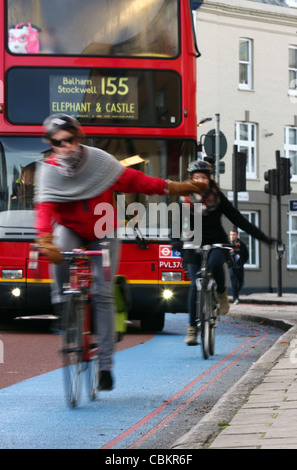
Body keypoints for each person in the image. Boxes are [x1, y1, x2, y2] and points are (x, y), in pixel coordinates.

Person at [34, 113, 207, 391]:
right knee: (58, 250)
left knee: (102, 293)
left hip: (102, 229)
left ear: (79, 139)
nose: (64, 146)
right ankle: (64, 305)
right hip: (70, 228)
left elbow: (138, 181)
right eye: (57, 143)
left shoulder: (100, 162)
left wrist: (178, 188)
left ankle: (104, 366)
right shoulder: (49, 171)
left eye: (69, 140)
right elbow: (44, 209)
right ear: (51, 145)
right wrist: (45, 240)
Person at [172, 159, 276, 346]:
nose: (200, 180)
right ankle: (192, 329)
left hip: (216, 241)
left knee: (214, 263)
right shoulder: (184, 199)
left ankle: (221, 293)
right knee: (195, 285)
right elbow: (177, 224)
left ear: (209, 180)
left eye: (203, 177)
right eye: (196, 177)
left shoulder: (217, 198)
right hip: (192, 244)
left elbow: (239, 219)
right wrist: (175, 241)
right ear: (190, 180)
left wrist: (265, 239)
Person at [228, 228, 249, 305]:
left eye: (234, 235)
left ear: (237, 235)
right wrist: (228, 263)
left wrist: (242, 262)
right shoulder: (228, 244)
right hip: (231, 267)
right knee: (234, 283)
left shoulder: (241, 244)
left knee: (240, 282)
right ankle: (235, 299)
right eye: (231, 235)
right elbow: (225, 255)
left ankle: (236, 292)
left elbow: (246, 255)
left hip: (239, 266)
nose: (232, 236)